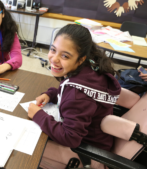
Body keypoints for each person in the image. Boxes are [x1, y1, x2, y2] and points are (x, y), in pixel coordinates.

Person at [27, 24, 121, 168]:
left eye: (65, 55)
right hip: (99, 139)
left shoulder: (78, 95)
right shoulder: (90, 69)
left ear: (80, 59)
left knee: (27, 147)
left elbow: (71, 138)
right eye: (53, 49)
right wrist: (51, 94)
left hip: (89, 152)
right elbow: (71, 92)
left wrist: (39, 115)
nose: (54, 59)